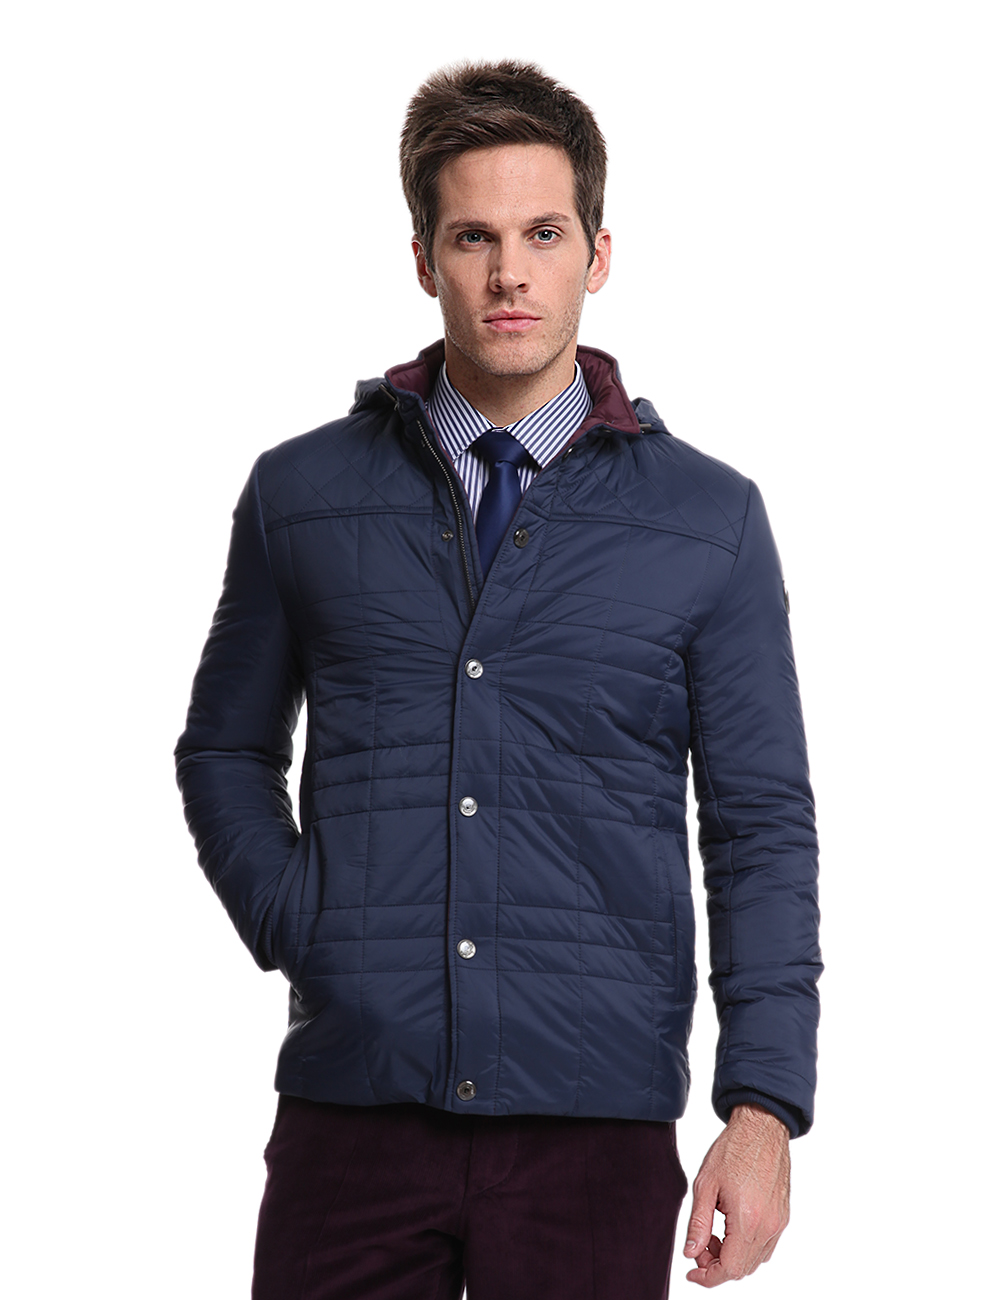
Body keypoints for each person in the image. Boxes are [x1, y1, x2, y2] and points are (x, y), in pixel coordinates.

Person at [175, 59, 821, 1299]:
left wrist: (762, 1107)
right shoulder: (300, 494)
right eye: (473, 236)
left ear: (598, 254)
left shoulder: (710, 520)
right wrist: (301, 921)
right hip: (354, 1112)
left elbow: (759, 826)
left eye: (542, 233)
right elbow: (223, 750)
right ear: (424, 259)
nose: (508, 273)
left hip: (595, 1124)